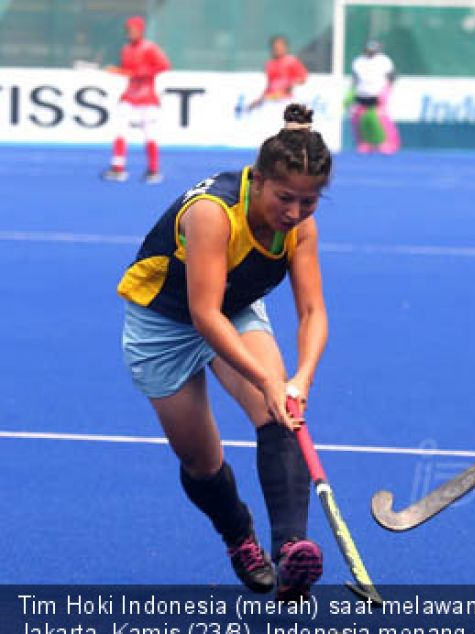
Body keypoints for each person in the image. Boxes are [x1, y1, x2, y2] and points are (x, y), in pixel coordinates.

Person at [117, 104, 332, 599]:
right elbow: (203, 315)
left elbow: (312, 313)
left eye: (309, 202)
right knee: (202, 462)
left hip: (234, 306)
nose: (295, 213)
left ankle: (291, 549)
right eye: (285, 198)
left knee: (282, 414)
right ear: (257, 180)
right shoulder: (213, 214)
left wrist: (298, 381)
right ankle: (238, 535)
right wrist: (269, 379)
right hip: (165, 323)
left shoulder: (300, 225)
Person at [101, 15, 170, 184]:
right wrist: (117, 71)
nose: (130, 33)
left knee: (149, 134)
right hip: (130, 97)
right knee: (120, 129)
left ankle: (153, 170)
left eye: (133, 29)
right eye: (128, 30)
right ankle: (118, 167)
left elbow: (164, 65)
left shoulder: (150, 48)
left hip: (147, 98)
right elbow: (128, 71)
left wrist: (141, 72)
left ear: (140, 30)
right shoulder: (126, 49)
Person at [350, 40, 400, 154]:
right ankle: (364, 143)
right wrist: (353, 92)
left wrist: (386, 91)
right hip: (362, 94)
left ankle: (389, 143)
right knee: (359, 119)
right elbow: (355, 79)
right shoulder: (359, 61)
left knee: (381, 119)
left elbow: (392, 77)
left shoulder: (384, 61)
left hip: (378, 94)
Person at [246, 36, 309, 113]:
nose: (278, 49)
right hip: (272, 101)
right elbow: (269, 86)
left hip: (287, 101)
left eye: (281, 46)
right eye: (275, 47)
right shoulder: (270, 64)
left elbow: (303, 78)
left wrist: (292, 84)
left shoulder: (291, 61)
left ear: (286, 47)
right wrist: (259, 100)